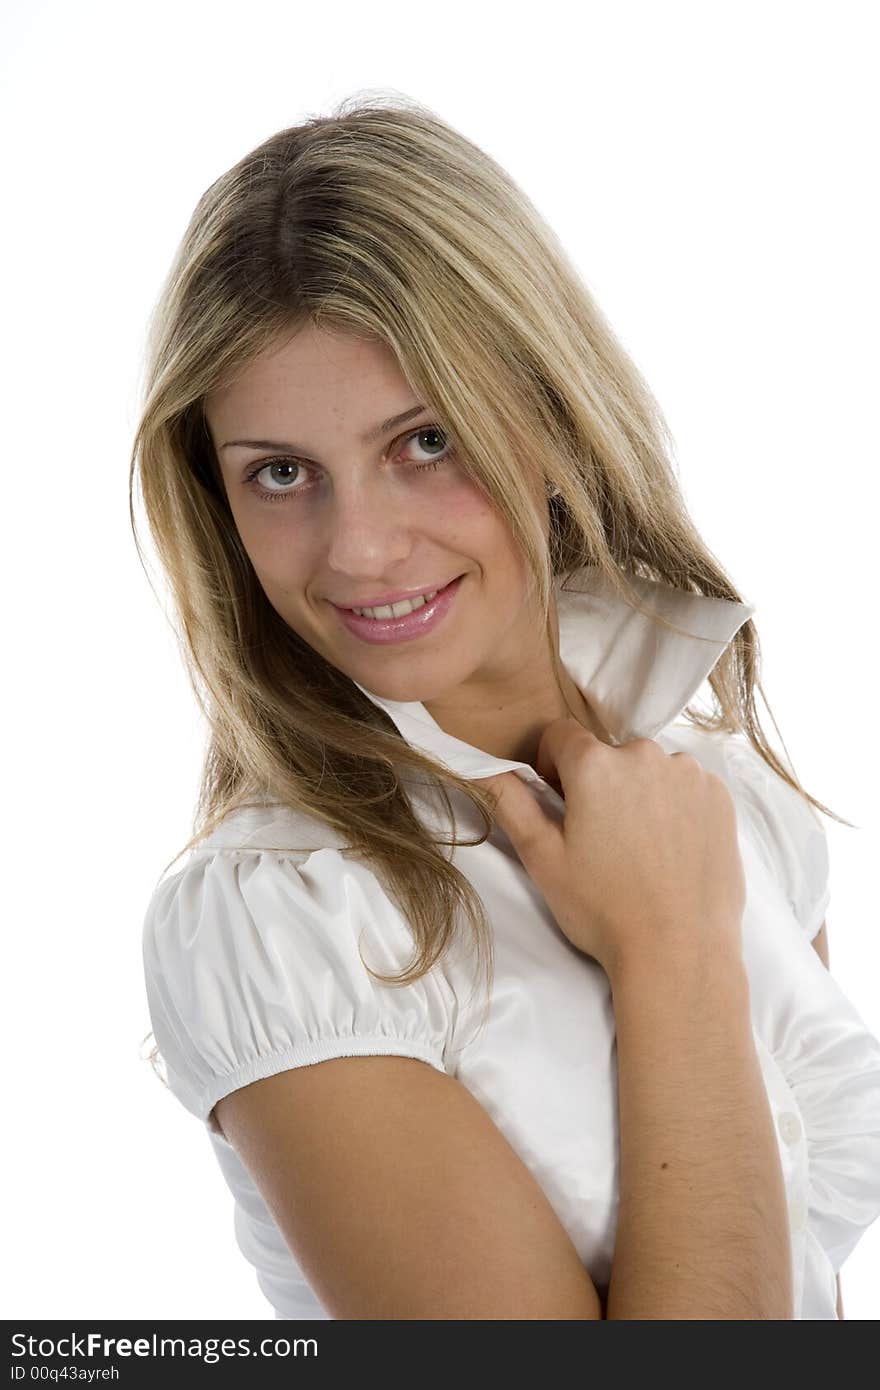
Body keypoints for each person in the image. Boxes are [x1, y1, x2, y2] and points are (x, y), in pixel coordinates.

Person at [135, 94, 880, 1320]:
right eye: (280, 474)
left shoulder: (715, 798)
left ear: (544, 415)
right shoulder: (285, 917)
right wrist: (672, 954)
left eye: (424, 441)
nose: (361, 550)